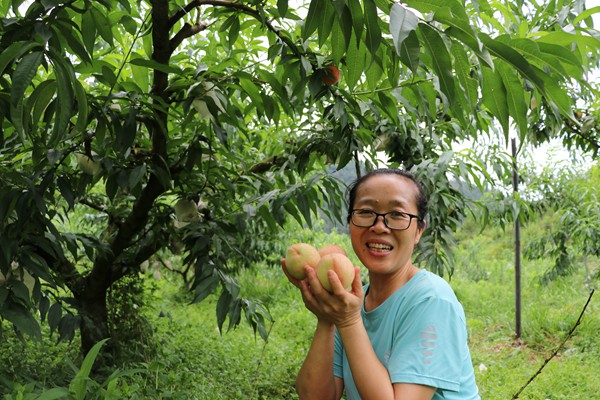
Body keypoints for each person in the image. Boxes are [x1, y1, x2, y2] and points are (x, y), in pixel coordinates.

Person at [282, 168, 480, 400]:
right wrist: (327, 320)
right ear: (350, 223)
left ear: (419, 231)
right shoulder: (353, 302)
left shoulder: (431, 300)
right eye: (366, 211)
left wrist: (347, 321)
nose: (379, 226)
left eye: (396, 214)